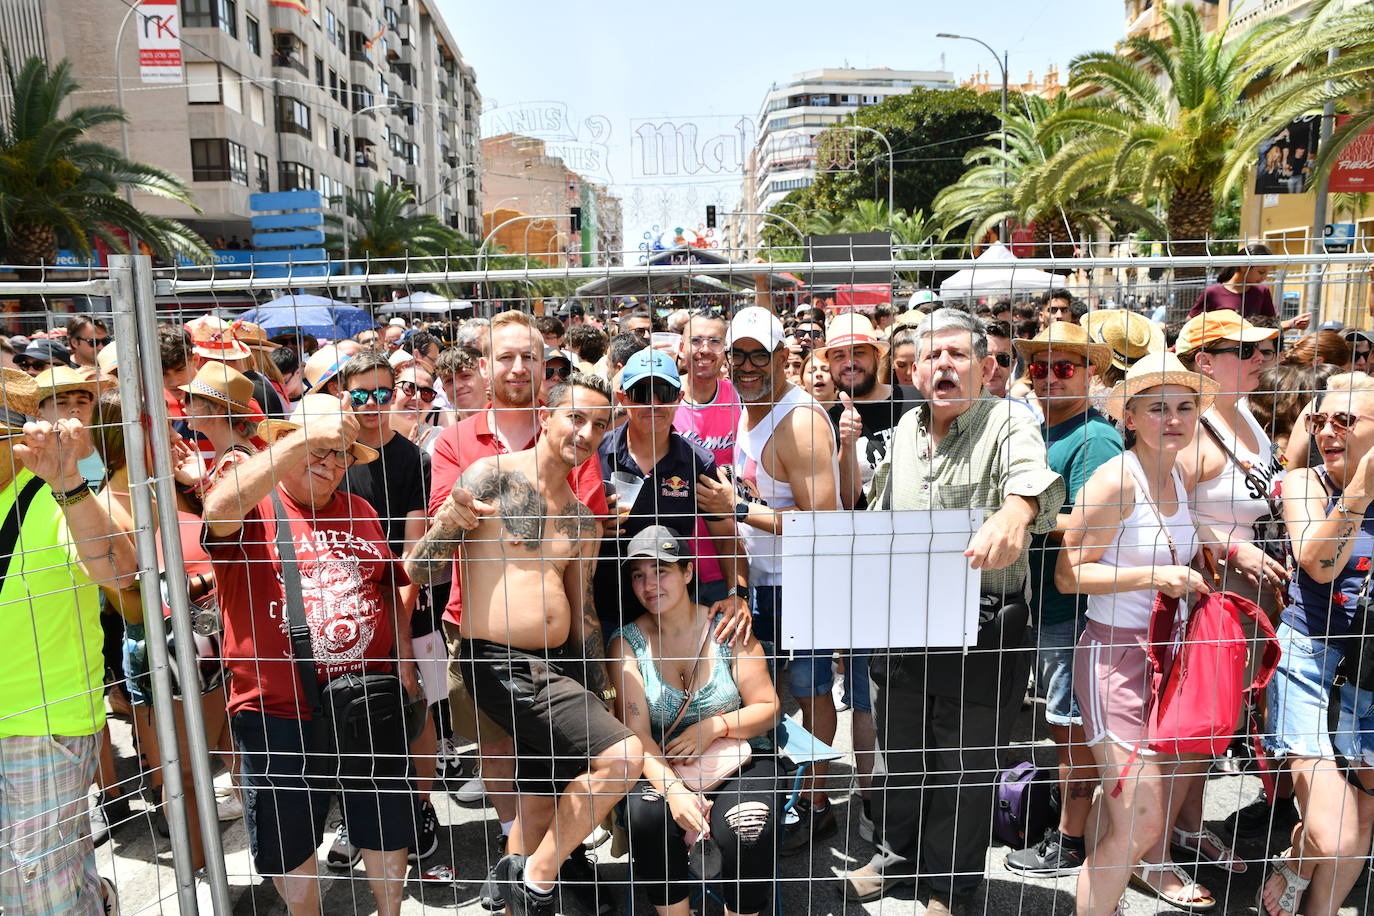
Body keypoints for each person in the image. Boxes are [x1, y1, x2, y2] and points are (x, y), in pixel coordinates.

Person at [841, 309, 1064, 915]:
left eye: (957, 355)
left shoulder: (1009, 423)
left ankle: (951, 888)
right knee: (903, 752)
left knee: (964, 765)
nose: (943, 365)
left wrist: (1017, 512)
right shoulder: (905, 436)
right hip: (906, 621)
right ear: (912, 371)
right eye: (930, 356)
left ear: (986, 367)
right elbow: (878, 521)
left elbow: (1036, 487)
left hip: (984, 625)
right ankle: (897, 856)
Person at [406, 373, 644, 916]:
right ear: (545, 417)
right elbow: (419, 567)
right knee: (624, 756)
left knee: (537, 805)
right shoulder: (492, 477)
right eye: (576, 417)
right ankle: (537, 879)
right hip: (501, 663)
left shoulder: (584, 518)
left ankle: (516, 885)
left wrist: (600, 692)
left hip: (557, 666)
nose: (586, 433)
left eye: (599, 425)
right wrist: (447, 522)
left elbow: (582, 613)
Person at [201, 393, 416, 916]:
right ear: (286, 445)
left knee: (385, 820)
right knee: (287, 838)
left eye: (341, 452)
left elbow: (389, 589)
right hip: (276, 710)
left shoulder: (361, 509)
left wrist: (405, 664)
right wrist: (304, 440)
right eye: (318, 450)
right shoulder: (254, 506)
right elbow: (216, 509)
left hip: (367, 699)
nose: (330, 462)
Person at [1057, 351, 1222, 916]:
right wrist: (1155, 575)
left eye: (1184, 407)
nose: (1172, 419)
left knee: (1128, 815)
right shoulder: (1116, 479)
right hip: (1114, 661)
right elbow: (1068, 572)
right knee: (1145, 817)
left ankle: (1103, 898)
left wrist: (1227, 546)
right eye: (1156, 408)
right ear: (1128, 417)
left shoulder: (1173, 469)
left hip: (1164, 657)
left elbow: (1176, 530)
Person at [697, 305, 841, 851]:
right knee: (769, 693)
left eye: (761, 354)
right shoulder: (747, 407)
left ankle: (816, 801)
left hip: (801, 581)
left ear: (784, 357)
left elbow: (823, 525)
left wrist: (737, 508)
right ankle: (779, 794)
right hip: (761, 581)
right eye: (740, 355)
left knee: (811, 691)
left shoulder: (798, 421)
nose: (749, 365)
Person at [0, 368, 137, 916]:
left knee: (35, 896)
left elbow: (121, 571)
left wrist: (71, 484)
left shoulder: (58, 489)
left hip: (41, 726)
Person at [609, 527, 781, 916]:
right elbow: (636, 734)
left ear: (688, 572)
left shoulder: (728, 626)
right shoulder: (626, 644)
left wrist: (713, 727)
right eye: (638, 574)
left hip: (738, 760)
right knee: (646, 816)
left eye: (661, 570)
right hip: (662, 764)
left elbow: (769, 706)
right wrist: (674, 792)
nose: (649, 584)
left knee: (748, 825)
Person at [1006, 322, 1122, 878]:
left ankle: (1071, 841)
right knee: (1063, 723)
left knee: (1071, 726)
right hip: (1051, 602)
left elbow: (1094, 522)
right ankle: (1069, 826)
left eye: (1064, 367)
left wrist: (1019, 512)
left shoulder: (1094, 437)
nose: (1049, 377)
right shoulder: (1049, 430)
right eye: (1039, 367)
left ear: (1089, 372)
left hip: (1075, 609)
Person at [1264, 371, 1374, 916]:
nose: (1328, 431)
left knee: (1358, 824)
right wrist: (1360, 491)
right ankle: (1297, 856)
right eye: (1318, 420)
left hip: (1370, 672)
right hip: (1310, 656)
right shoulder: (1308, 483)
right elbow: (1317, 563)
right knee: (1330, 832)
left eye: (1346, 420)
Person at [334, 351, 440, 869]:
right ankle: (358, 820)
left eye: (383, 393)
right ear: (343, 395)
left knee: (415, 710)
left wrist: (398, 641)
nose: (373, 405)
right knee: (346, 718)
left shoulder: (413, 460)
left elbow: (412, 559)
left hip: (402, 606)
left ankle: (420, 809)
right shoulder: (331, 454)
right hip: (340, 610)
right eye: (361, 395)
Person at [596, 347, 750, 630]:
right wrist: (591, 525)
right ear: (623, 398)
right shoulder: (595, 454)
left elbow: (727, 536)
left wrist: (737, 594)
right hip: (605, 609)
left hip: (673, 614)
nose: (653, 404)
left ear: (679, 399)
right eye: (641, 393)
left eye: (664, 393)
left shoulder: (698, 462)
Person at [1190, 243, 1312, 332]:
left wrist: (1292, 323)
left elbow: (1271, 327)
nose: (1265, 277)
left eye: (1267, 273)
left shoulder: (1262, 292)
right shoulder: (1213, 293)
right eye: (1261, 272)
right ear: (1244, 266)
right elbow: (1191, 323)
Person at [673, 310, 740, 469]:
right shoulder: (661, 396)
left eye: (715, 341)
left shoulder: (741, 397)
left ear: (726, 350)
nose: (705, 350)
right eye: (696, 341)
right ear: (682, 348)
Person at [391, 362, 447, 452]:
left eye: (426, 393)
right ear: (392, 391)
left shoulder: (441, 440)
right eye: (409, 388)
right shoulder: (368, 434)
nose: (417, 398)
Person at [434, 346, 488, 421]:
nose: (457, 386)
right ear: (443, 389)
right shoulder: (445, 431)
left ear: (485, 375)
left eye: (465, 376)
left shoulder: (507, 423)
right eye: (449, 381)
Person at [985, 320, 1015, 398]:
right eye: (986, 359)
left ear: (1013, 364)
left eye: (1003, 358)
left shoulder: (1024, 410)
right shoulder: (953, 409)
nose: (994, 366)